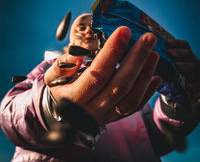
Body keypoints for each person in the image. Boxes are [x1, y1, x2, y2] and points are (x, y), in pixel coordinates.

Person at [0, 13, 200, 162]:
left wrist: (180, 97)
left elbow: (157, 138)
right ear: (69, 39)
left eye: (93, 26)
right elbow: (10, 114)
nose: (88, 30)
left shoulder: (128, 81)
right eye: (81, 26)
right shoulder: (47, 69)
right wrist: (49, 106)